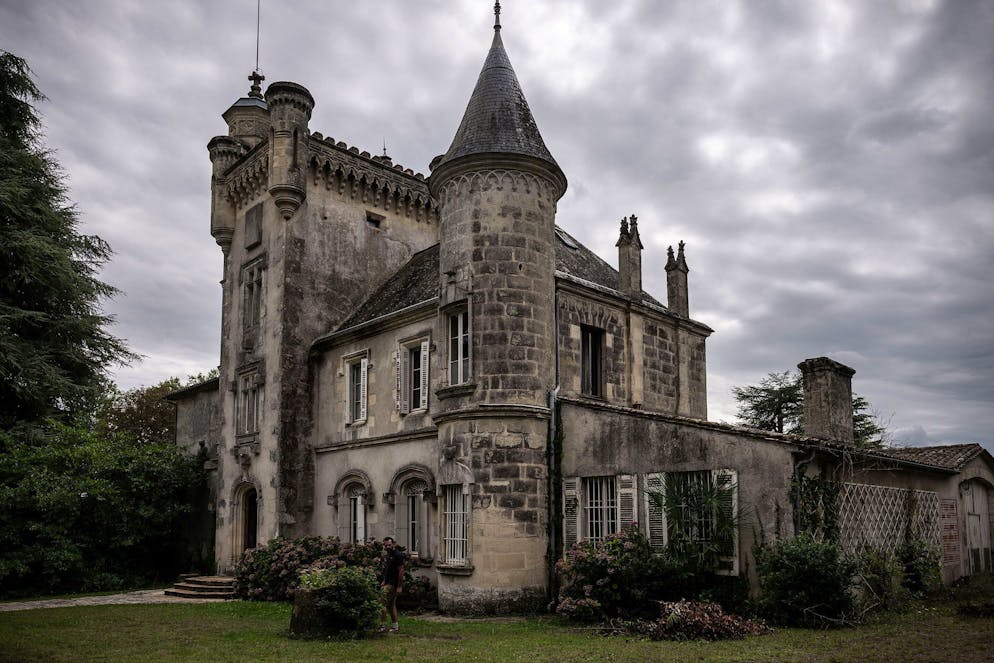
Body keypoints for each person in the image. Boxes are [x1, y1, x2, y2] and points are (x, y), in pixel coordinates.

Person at [380, 536, 405, 632]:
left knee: (382, 603)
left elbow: (401, 571)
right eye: (386, 545)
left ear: (393, 544)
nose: (387, 547)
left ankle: (382, 626)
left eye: (389, 545)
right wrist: (384, 581)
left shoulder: (397, 555)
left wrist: (399, 586)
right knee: (391, 605)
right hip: (388, 582)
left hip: (392, 584)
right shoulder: (389, 555)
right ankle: (395, 626)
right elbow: (388, 570)